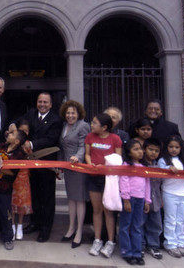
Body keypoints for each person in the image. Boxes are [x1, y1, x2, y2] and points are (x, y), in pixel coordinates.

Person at [18, 92, 63, 242]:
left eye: (45, 102)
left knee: (47, 198)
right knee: (35, 196)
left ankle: (45, 229)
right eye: (40, 102)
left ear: (50, 104)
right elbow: (19, 123)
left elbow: (51, 139)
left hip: (46, 165)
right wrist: (13, 128)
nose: (42, 105)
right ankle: (34, 223)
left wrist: (30, 144)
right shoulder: (31, 114)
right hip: (31, 163)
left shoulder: (56, 120)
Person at [130, 99, 184, 173]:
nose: (153, 111)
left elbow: (183, 147)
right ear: (146, 111)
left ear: (161, 112)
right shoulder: (135, 125)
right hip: (140, 164)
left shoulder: (170, 127)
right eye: (150, 109)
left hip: (163, 165)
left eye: (156, 109)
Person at [0, 128, 28, 251]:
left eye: (12, 133)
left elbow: (12, 172)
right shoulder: (0, 146)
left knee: (6, 214)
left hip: (5, 189)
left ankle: (8, 239)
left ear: (17, 141)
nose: (8, 133)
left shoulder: (20, 155)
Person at [85, 113, 122, 258]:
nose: (92, 125)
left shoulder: (115, 139)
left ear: (104, 127)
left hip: (109, 180)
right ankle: (97, 239)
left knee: (108, 210)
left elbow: (118, 159)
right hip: (93, 177)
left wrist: (106, 167)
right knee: (97, 210)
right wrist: (90, 165)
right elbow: (87, 154)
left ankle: (111, 242)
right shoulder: (90, 137)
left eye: (95, 123)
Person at [158, 135, 184, 258]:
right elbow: (160, 171)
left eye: (177, 147)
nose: (174, 149)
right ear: (166, 147)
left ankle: (181, 243)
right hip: (169, 192)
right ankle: (170, 244)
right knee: (170, 219)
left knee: (181, 220)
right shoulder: (163, 160)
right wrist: (168, 168)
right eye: (171, 147)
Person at [58, 100, 90, 249]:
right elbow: (62, 147)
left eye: (73, 113)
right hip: (68, 167)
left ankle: (79, 231)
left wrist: (78, 157)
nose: (70, 115)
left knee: (79, 199)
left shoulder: (83, 125)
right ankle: (71, 228)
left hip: (78, 166)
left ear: (78, 114)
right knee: (71, 198)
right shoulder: (64, 126)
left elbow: (83, 145)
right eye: (68, 113)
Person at [119, 139, 151, 266]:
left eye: (140, 149)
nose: (140, 152)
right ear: (129, 152)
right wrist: (126, 199)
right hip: (130, 198)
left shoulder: (144, 167)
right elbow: (124, 181)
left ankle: (137, 252)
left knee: (137, 226)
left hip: (140, 199)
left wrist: (147, 200)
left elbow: (147, 184)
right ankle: (126, 251)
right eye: (136, 149)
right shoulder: (126, 166)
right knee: (126, 225)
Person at [142, 138, 164, 260]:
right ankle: (140, 245)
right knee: (140, 223)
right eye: (150, 149)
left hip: (155, 200)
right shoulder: (140, 165)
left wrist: (161, 199)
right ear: (144, 150)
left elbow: (160, 185)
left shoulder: (159, 165)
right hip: (142, 200)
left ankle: (153, 245)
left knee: (155, 224)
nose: (153, 153)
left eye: (156, 150)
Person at [11, 120, 32, 241]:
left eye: (26, 130)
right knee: (12, 201)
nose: (24, 132)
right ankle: (12, 225)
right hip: (13, 175)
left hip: (24, 176)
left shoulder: (28, 144)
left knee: (22, 201)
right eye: (22, 130)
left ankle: (20, 225)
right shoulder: (13, 142)